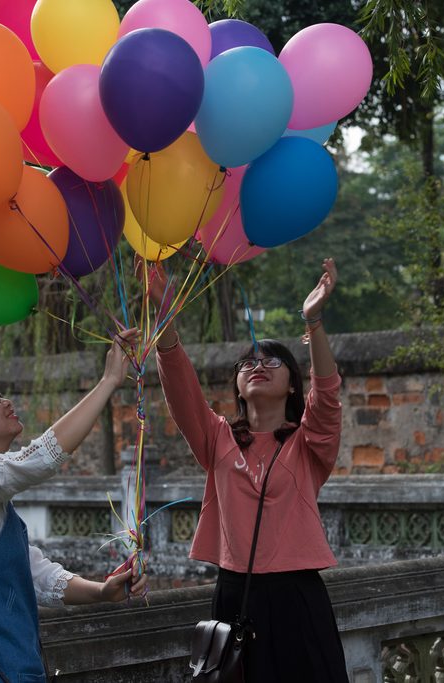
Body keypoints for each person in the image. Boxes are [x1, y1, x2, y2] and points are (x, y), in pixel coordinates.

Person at [149, 257, 348, 682]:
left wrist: (313, 323)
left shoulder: (309, 444)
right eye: (247, 363)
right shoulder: (217, 438)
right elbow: (180, 388)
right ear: (238, 387)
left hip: (297, 596)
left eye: (272, 361)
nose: (258, 366)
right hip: (235, 595)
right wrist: (163, 313)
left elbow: (328, 396)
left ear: (293, 383)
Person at [0, 329, 147, 683]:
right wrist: (108, 382)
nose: (5, 401)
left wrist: (101, 591)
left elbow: (38, 578)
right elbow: (37, 459)